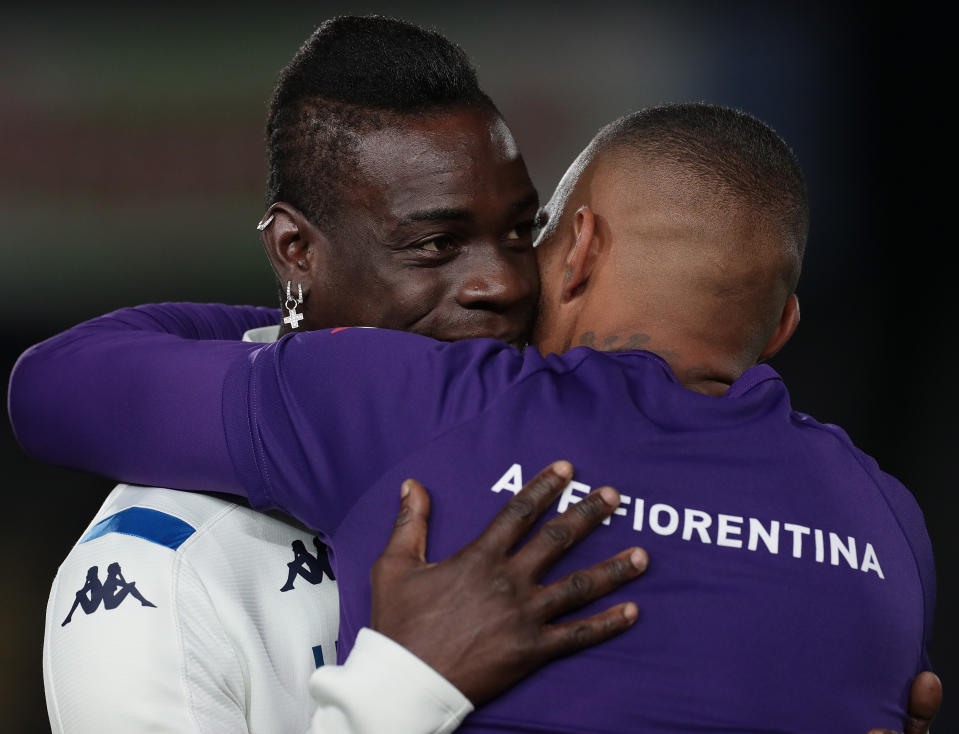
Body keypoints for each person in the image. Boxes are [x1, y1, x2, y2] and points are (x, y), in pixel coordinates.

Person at [10, 102, 940, 732]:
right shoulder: (888, 524)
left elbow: (58, 387)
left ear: (574, 253)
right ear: (779, 327)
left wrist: (315, 332)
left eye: (531, 237)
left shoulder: (433, 404)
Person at [28, 16, 644, 734]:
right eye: (436, 245)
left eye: (518, 231)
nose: (502, 282)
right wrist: (410, 687)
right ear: (297, 251)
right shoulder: (161, 572)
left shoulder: (566, 445)